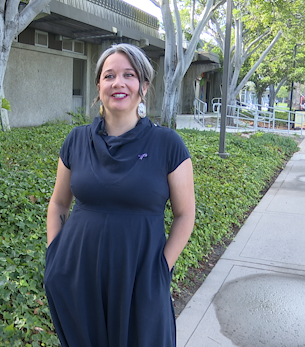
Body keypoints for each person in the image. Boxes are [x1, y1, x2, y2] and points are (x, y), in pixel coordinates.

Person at [43, 43, 195, 347]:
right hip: (79, 276)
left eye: (129, 75)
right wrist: (54, 256)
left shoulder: (167, 144)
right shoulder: (76, 141)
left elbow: (185, 214)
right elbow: (59, 202)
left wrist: (161, 269)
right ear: (99, 85)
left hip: (141, 276)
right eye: (109, 75)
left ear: (144, 86)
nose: (118, 83)